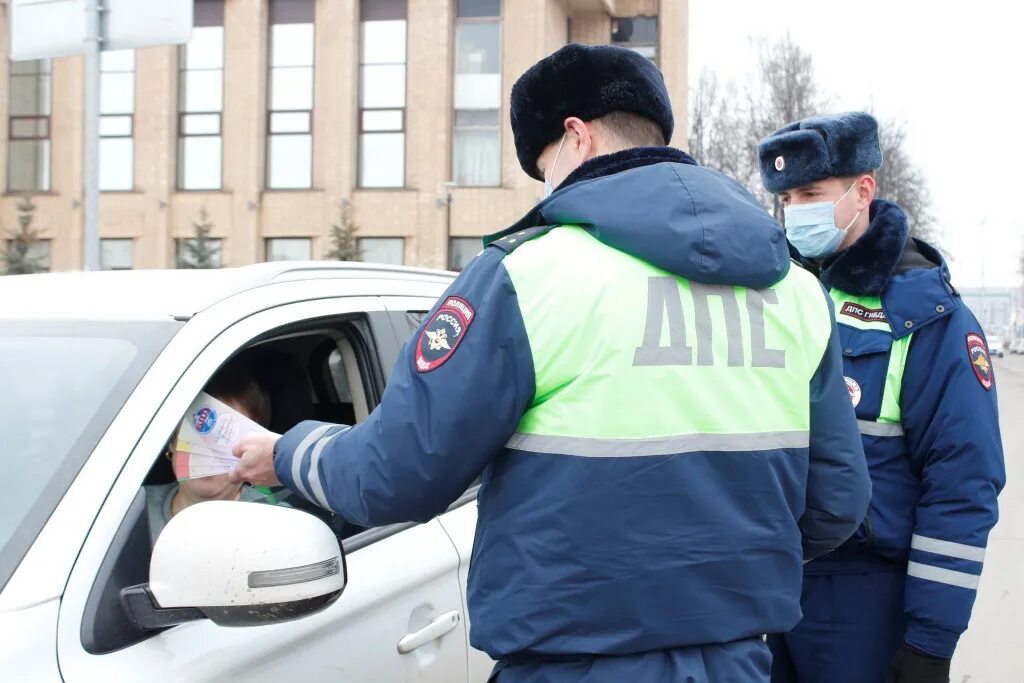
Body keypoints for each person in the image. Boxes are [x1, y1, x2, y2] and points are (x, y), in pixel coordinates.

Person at [232, 44, 870, 683]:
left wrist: (290, 451)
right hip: (736, 662)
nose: (548, 188)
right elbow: (838, 500)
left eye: (544, 168)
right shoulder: (796, 293)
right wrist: (720, 571)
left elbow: (397, 474)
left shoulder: (527, 277)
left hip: (574, 665)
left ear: (576, 137)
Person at [757, 112, 1006, 683]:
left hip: (866, 600)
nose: (796, 211)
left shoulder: (930, 319)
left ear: (862, 190)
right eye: (787, 197)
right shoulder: (776, 296)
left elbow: (963, 481)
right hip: (768, 590)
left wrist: (930, 642)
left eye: (812, 193)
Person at [145, 361, 278, 541]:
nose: (206, 450)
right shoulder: (128, 513)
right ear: (172, 443)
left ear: (252, 453)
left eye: (226, 436)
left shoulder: (274, 524)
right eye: (197, 431)